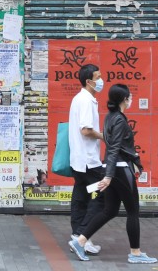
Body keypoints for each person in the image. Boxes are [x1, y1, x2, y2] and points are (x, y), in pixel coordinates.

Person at [71, 84, 157, 264]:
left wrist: (108, 174)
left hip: (112, 168)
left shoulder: (110, 118)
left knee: (110, 210)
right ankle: (135, 253)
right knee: (133, 211)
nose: (131, 99)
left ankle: (80, 241)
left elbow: (112, 148)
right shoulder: (118, 120)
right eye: (130, 97)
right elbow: (114, 149)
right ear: (124, 100)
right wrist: (108, 176)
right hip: (119, 169)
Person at [68, 63, 104, 257]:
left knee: (81, 196)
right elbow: (86, 130)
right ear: (89, 81)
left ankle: (78, 235)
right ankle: (83, 237)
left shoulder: (79, 98)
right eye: (98, 77)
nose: (101, 80)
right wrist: (105, 136)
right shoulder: (86, 100)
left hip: (79, 160)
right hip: (89, 162)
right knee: (99, 199)